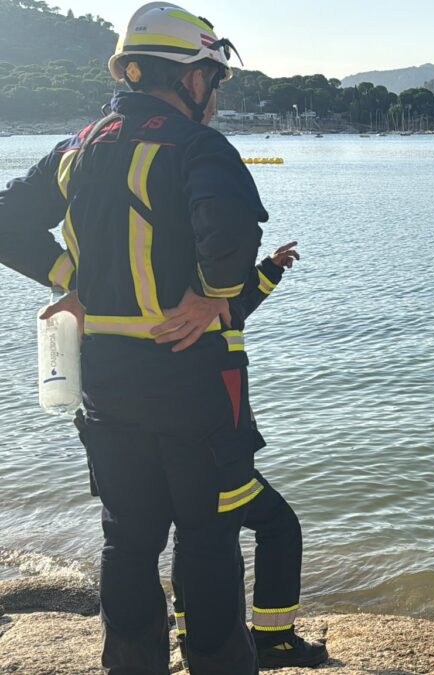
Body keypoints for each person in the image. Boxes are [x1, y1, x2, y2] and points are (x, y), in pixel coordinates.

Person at [0, 4, 265, 672]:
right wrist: (211, 293)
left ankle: (131, 663)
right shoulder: (197, 145)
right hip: (193, 383)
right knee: (207, 540)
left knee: (128, 537)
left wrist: (73, 278)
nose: (214, 93)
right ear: (188, 78)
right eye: (213, 77)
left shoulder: (78, 146)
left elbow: (5, 223)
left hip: (108, 384)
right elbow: (230, 233)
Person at [171, 242, 329, 670]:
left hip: (188, 448)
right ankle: (272, 641)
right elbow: (225, 310)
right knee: (278, 526)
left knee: (190, 538)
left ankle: (190, 638)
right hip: (216, 449)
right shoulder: (194, 306)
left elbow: (233, 306)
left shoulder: (172, 292)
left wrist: (269, 272)